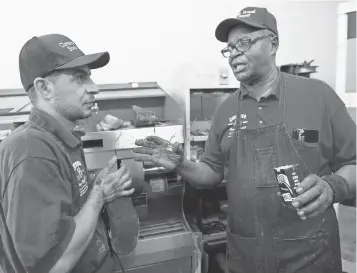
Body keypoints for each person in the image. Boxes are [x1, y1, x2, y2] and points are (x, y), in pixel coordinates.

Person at [133, 6, 356, 273]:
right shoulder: (225, 110)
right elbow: (211, 173)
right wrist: (182, 164)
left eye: (244, 42)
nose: (234, 52)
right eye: (229, 47)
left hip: (311, 254)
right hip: (247, 256)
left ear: (273, 44)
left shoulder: (318, 96)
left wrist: (333, 186)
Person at [0, 34, 138, 273]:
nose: (94, 87)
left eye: (89, 76)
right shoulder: (32, 152)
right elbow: (54, 265)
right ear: (44, 88)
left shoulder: (62, 139)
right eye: (79, 78)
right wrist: (99, 196)